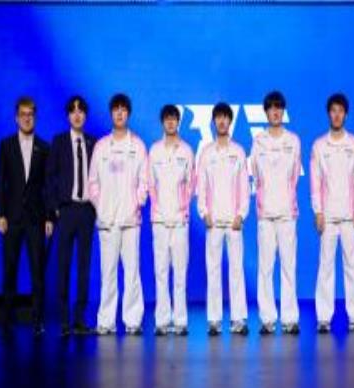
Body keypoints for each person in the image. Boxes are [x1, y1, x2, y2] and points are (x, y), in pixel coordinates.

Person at [88, 93, 148, 335]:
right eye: (116, 109)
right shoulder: (101, 146)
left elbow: (144, 181)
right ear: (111, 113)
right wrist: (101, 207)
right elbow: (92, 183)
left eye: (123, 109)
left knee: (132, 272)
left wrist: (137, 203)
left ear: (128, 114)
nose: (120, 113)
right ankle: (106, 321)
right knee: (108, 273)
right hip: (107, 221)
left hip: (131, 221)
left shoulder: (138, 146)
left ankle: (133, 321)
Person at [0, 96, 53, 336]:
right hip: (11, 218)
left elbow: (48, 186)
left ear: (35, 117)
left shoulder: (44, 147)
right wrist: (0, 214)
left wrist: (49, 217)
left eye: (30, 114)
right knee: (9, 270)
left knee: (37, 272)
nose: (27, 118)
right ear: (16, 118)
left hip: (36, 219)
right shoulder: (6, 145)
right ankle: (7, 320)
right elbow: (1, 182)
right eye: (23, 114)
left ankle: (37, 321)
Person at [310, 93, 354, 333]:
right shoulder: (319, 145)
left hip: (349, 216)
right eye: (333, 110)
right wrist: (318, 211)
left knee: (352, 266)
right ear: (328, 114)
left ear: (345, 114)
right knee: (325, 267)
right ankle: (324, 318)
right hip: (328, 216)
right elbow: (315, 182)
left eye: (340, 111)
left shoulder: (353, 143)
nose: (336, 115)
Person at [250, 91, 301, 335]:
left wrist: (285, 198)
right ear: (266, 112)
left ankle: (290, 319)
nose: (275, 112)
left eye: (279, 107)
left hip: (287, 214)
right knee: (265, 268)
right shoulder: (258, 141)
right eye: (271, 108)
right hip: (265, 214)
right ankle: (268, 319)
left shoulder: (293, 140)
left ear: (283, 111)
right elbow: (255, 175)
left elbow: (294, 177)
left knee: (288, 267)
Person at [197, 102, 250, 336]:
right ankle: (214, 320)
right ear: (213, 122)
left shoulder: (238, 151)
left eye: (225, 117)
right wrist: (204, 213)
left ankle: (238, 319)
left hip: (234, 222)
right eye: (218, 117)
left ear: (230, 121)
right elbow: (201, 186)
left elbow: (244, 187)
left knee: (236, 270)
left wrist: (241, 214)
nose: (221, 121)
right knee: (213, 270)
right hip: (213, 221)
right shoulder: (207, 153)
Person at [46, 96, 97, 337]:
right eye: (73, 111)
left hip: (87, 211)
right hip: (66, 210)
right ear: (68, 116)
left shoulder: (93, 142)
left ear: (85, 116)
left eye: (81, 111)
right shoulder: (58, 141)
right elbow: (50, 177)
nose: (77, 115)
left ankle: (79, 318)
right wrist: (55, 208)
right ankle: (65, 319)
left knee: (84, 266)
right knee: (64, 265)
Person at [148, 105, 195, 336]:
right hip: (159, 221)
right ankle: (162, 320)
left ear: (178, 122)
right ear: (162, 122)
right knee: (160, 271)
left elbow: (191, 184)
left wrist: (183, 209)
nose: (170, 122)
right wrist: (157, 210)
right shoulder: (154, 150)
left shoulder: (186, 151)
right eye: (166, 118)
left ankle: (180, 320)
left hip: (179, 221)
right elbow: (150, 184)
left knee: (180, 272)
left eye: (174, 119)